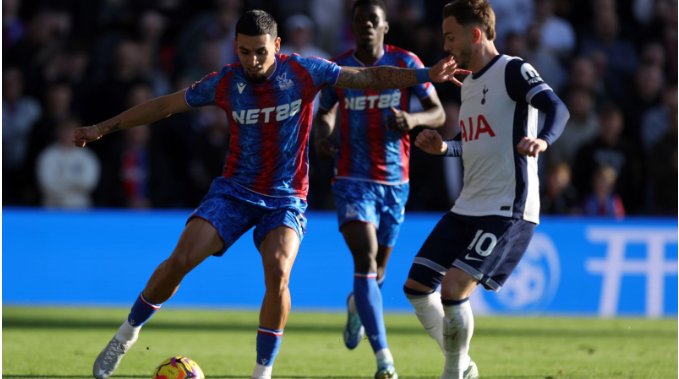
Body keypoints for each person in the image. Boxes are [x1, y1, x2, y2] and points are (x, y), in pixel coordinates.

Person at [75, 9, 462, 379]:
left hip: (286, 200)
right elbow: (165, 105)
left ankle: (263, 372)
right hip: (233, 193)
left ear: (277, 45)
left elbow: (368, 78)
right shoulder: (226, 82)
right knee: (181, 259)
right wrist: (102, 128)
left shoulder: (305, 71)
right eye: (244, 51)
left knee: (278, 273)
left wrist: (425, 74)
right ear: (235, 48)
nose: (253, 60)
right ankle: (126, 334)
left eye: (261, 51)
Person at [401, 1, 569, 379]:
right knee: (415, 286)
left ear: (475, 34)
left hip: (507, 206)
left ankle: (453, 372)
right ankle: (463, 365)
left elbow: (557, 107)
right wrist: (445, 147)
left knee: (453, 287)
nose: (446, 45)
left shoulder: (513, 69)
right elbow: (473, 140)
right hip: (468, 206)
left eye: (450, 36)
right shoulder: (470, 83)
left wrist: (542, 141)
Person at [313, 1, 445, 378]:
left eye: (374, 21)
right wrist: (323, 136)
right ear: (352, 27)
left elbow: (438, 113)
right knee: (365, 261)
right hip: (352, 180)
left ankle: (357, 305)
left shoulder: (405, 64)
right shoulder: (339, 69)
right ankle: (384, 359)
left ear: (385, 27)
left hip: (395, 183)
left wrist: (413, 119)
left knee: (379, 273)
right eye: (360, 21)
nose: (367, 26)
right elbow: (325, 111)